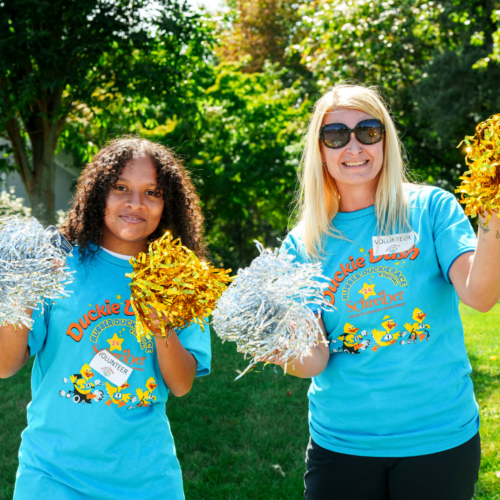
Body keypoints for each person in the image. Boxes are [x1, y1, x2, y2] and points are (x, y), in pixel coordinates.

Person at [271, 84, 500, 499]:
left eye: (368, 131)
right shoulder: (303, 244)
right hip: (342, 443)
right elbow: (315, 358)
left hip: (439, 436)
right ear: (320, 150)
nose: (353, 145)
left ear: (386, 140)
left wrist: (494, 216)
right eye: (336, 135)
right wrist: (279, 345)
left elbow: (480, 296)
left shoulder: (432, 208)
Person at [0, 138, 211, 500]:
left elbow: (181, 384)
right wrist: (19, 295)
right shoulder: (57, 263)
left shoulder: (178, 275)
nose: (135, 203)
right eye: (121, 188)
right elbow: (5, 366)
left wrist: (161, 324)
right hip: (52, 475)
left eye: (152, 192)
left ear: (167, 204)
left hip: (145, 481)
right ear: (99, 193)